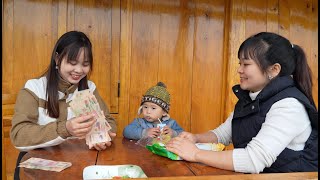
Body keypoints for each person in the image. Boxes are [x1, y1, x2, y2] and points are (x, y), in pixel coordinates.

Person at [166, 32, 318, 173]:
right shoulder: (252, 98)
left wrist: (195, 153)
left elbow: (253, 160)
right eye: (240, 63)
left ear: (274, 69)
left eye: (246, 64)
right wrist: (196, 138)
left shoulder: (289, 106)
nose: (239, 69)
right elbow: (223, 134)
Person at [10, 31, 117, 178]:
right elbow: (19, 135)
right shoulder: (34, 88)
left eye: (85, 64)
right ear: (57, 58)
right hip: (40, 169)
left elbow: (109, 122)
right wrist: (65, 129)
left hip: (79, 165)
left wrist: (102, 137)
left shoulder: (89, 89)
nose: (79, 71)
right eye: (72, 63)